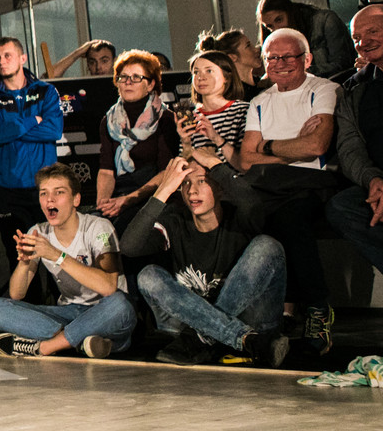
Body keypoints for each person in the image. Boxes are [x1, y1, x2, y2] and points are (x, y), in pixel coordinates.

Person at [124, 157, 288, 367]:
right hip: (234, 335)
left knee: (267, 245)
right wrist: (163, 190)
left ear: (220, 187)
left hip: (249, 322)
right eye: (185, 183)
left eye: (202, 181)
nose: (192, 191)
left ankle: (202, 339)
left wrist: (214, 162)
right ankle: (239, 338)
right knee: (148, 275)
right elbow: (129, 247)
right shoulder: (175, 220)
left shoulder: (239, 218)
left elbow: (252, 203)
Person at [238, 26, 341, 355]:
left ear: (307, 59)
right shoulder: (259, 101)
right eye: (272, 58)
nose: (280, 64)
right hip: (270, 186)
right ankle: (273, 314)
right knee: (251, 220)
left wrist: (267, 146)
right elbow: (246, 159)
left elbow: (316, 145)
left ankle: (316, 308)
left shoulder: (324, 89)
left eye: (288, 57)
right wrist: (293, 147)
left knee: (289, 219)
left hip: (311, 185)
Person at [0, 163, 135, 358]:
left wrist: (57, 255)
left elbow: (108, 287)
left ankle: (45, 347)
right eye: (44, 193)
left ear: (76, 199)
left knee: (120, 304)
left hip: (105, 311)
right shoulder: (38, 232)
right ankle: (80, 342)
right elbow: (16, 294)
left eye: (59, 192)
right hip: (68, 314)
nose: (50, 199)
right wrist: (24, 262)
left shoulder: (98, 227)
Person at [0, 37, 64, 297]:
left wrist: (12, 130)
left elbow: (54, 130)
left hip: (45, 189)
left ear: (22, 58)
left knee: (56, 254)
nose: (1, 62)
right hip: (9, 191)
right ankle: (31, 314)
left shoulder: (46, 91)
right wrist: (32, 120)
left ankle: (65, 311)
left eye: (7, 56)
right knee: (21, 258)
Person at [324, 5, 383, 292]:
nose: (364, 42)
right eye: (357, 37)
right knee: (342, 207)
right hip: (379, 181)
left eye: (373, 31)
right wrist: (372, 179)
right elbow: (350, 146)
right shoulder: (353, 88)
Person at [93, 50, 179, 226]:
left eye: (136, 77)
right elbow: (106, 170)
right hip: (120, 192)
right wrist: (103, 204)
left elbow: (166, 173)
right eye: (123, 77)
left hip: (153, 196)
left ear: (150, 84)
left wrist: (127, 200)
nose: (128, 82)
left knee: (124, 225)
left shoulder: (165, 118)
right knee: (95, 225)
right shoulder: (109, 120)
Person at [175, 50, 249, 168]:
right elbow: (185, 168)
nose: (201, 77)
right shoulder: (192, 117)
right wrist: (186, 144)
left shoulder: (243, 111)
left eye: (209, 71)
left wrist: (216, 138)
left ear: (226, 77)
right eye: (196, 72)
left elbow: (245, 166)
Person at [257, 0, 354, 80]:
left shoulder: (325, 21)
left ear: (290, 13)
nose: (277, 29)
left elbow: (342, 64)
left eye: (279, 20)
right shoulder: (275, 41)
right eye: (270, 27)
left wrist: (298, 71)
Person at [198, 27, 266, 94]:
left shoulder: (263, 84)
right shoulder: (233, 95)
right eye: (248, 46)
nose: (256, 50)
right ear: (232, 57)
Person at [47, 39, 117, 79]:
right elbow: (51, 77)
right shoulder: (83, 89)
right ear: (88, 65)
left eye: (104, 61)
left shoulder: (122, 87)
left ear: (114, 62)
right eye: (92, 62)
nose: (98, 67)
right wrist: (77, 53)